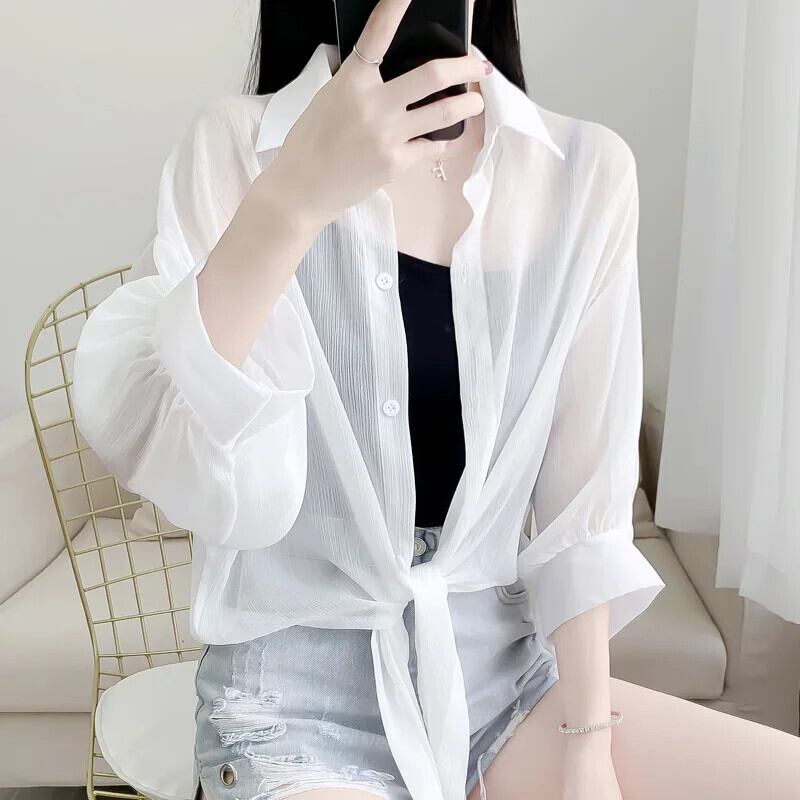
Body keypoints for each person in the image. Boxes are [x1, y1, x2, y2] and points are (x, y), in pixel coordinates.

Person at [71, 0, 800, 798]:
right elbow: (184, 452)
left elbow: (581, 517)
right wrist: (297, 195)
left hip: (504, 688)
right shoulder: (238, 145)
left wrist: (588, 753)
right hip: (293, 705)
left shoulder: (584, 170)